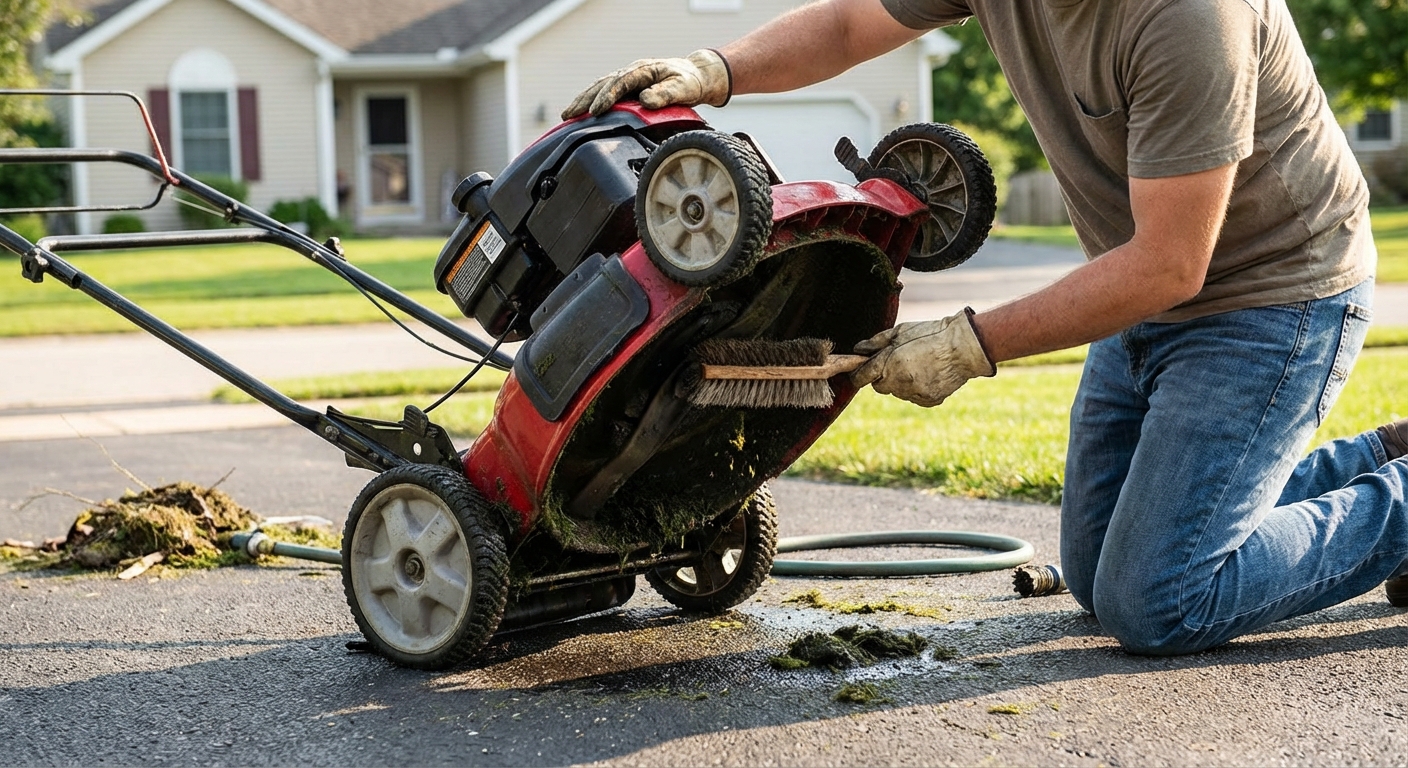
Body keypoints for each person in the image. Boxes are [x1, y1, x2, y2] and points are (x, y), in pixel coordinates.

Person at [563, 0, 1408, 655]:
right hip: (1138, 294)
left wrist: (971, 344)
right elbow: (855, 22)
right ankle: (1381, 459)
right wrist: (715, 67)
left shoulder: (1189, 19)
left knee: (1157, 601)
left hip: (1273, 296)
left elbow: (1168, 265)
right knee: (1096, 569)